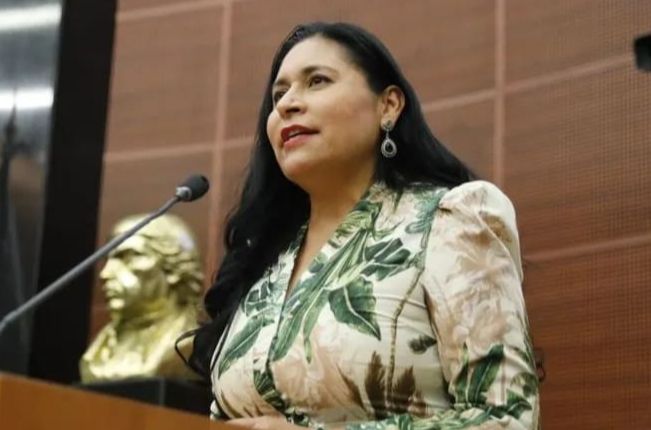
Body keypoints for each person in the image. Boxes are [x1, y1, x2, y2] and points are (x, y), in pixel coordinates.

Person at [187, 22, 540, 429]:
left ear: (388, 106)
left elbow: (508, 416)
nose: (287, 105)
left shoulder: (450, 218)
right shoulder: (263, 260)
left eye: (317, 81)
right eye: (278, 95)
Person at [80, 214, 202, 382]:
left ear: (174, 267)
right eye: (109, 259)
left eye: (129, 257)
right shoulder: (98, 354)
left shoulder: (188, 346)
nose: (105, 273)